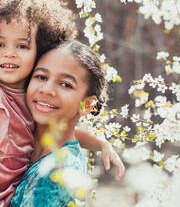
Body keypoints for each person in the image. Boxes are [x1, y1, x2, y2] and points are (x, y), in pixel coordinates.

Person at [0, 0, 124, 207]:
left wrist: (102, 144)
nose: (9, 54)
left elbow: (69, 131)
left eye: (22, 46)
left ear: (38, 51)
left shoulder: (32, 102)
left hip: (3, 196)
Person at [10, 40, 122, 207]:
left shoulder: (54, 175)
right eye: (41, 76)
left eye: (65, 84)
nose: (47, 89)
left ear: (88, 104)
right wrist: (100, 143)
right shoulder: (32, 137)